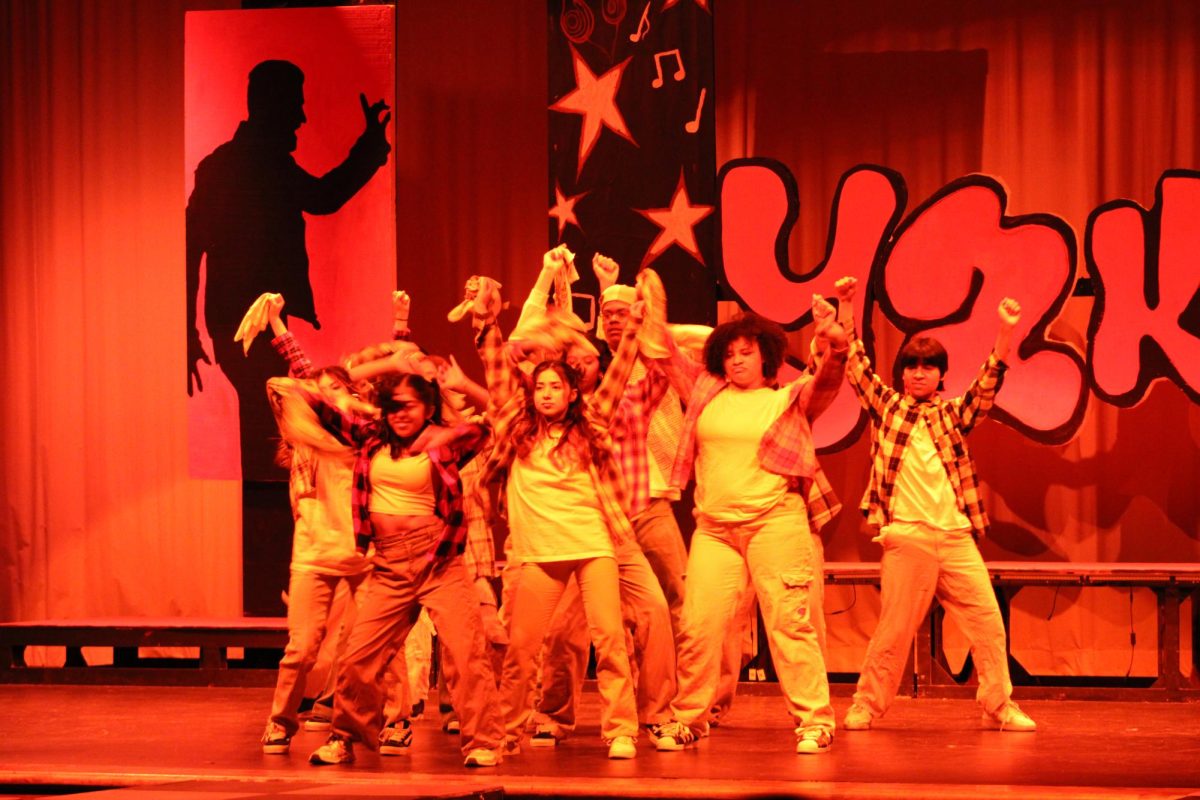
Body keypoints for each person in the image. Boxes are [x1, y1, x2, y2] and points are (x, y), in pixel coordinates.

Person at [833, 277, 1036, 733]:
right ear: (902, 372)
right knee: (893, 631)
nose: (919, 373)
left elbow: (987, 385)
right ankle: (867, 703)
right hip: (908, 535)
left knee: (988, 624)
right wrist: (846, 304)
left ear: (941, 374)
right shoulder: (887, 408)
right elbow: (856, 361)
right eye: (911, 366)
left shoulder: (952, 415)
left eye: (928, 367)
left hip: (956, 537)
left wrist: (1006, 331)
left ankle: (999, 704)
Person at [652, 298, 847, 756]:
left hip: (774, 522)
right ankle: (689, 719)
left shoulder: (787, 399)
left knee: (789, 623)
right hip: (715, 528)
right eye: (730, 352)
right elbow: (659, 350)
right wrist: (653, 305)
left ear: (766, 356)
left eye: (746, 351)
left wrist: (832, 340)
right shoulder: (704, 392)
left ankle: (815, 720)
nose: (737, 359)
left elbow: (828, 378)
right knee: (699, 625)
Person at [186, 59, 391, 481]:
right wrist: (369, 146)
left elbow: (192, 248)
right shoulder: (254, 163)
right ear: (270, 106)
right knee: (271, 441)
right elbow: (322, 196)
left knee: (272, 435)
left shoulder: (242, 161)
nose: (301, 117)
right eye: (294, 105)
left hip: (243, 325)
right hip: (246, 329)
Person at [294, 368, 504, 768]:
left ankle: (482, 742)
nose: (398, 415)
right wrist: (284, 346)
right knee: (359, 657)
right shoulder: (372, 438)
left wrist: (463, 387)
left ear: (427, 407)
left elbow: (503, 413)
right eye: (392, 407)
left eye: (407, 406)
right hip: (389, 562)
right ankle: (345, 738)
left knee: (465, 653)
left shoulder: (449, 439)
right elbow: (324, 406)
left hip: (437, 559)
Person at [473, 278, 647, 760]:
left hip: (593, 546)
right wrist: (487, 321)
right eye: (541, 386)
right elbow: (495, 371)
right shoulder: (516, 424)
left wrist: (634, 323)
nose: (547, 393)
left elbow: (620, 370)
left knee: (611, 641)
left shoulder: (592, 422)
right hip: (538, 553)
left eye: (557, 387)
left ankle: (620, 730)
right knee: (523, 650)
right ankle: (507, 733)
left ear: (572, 393)